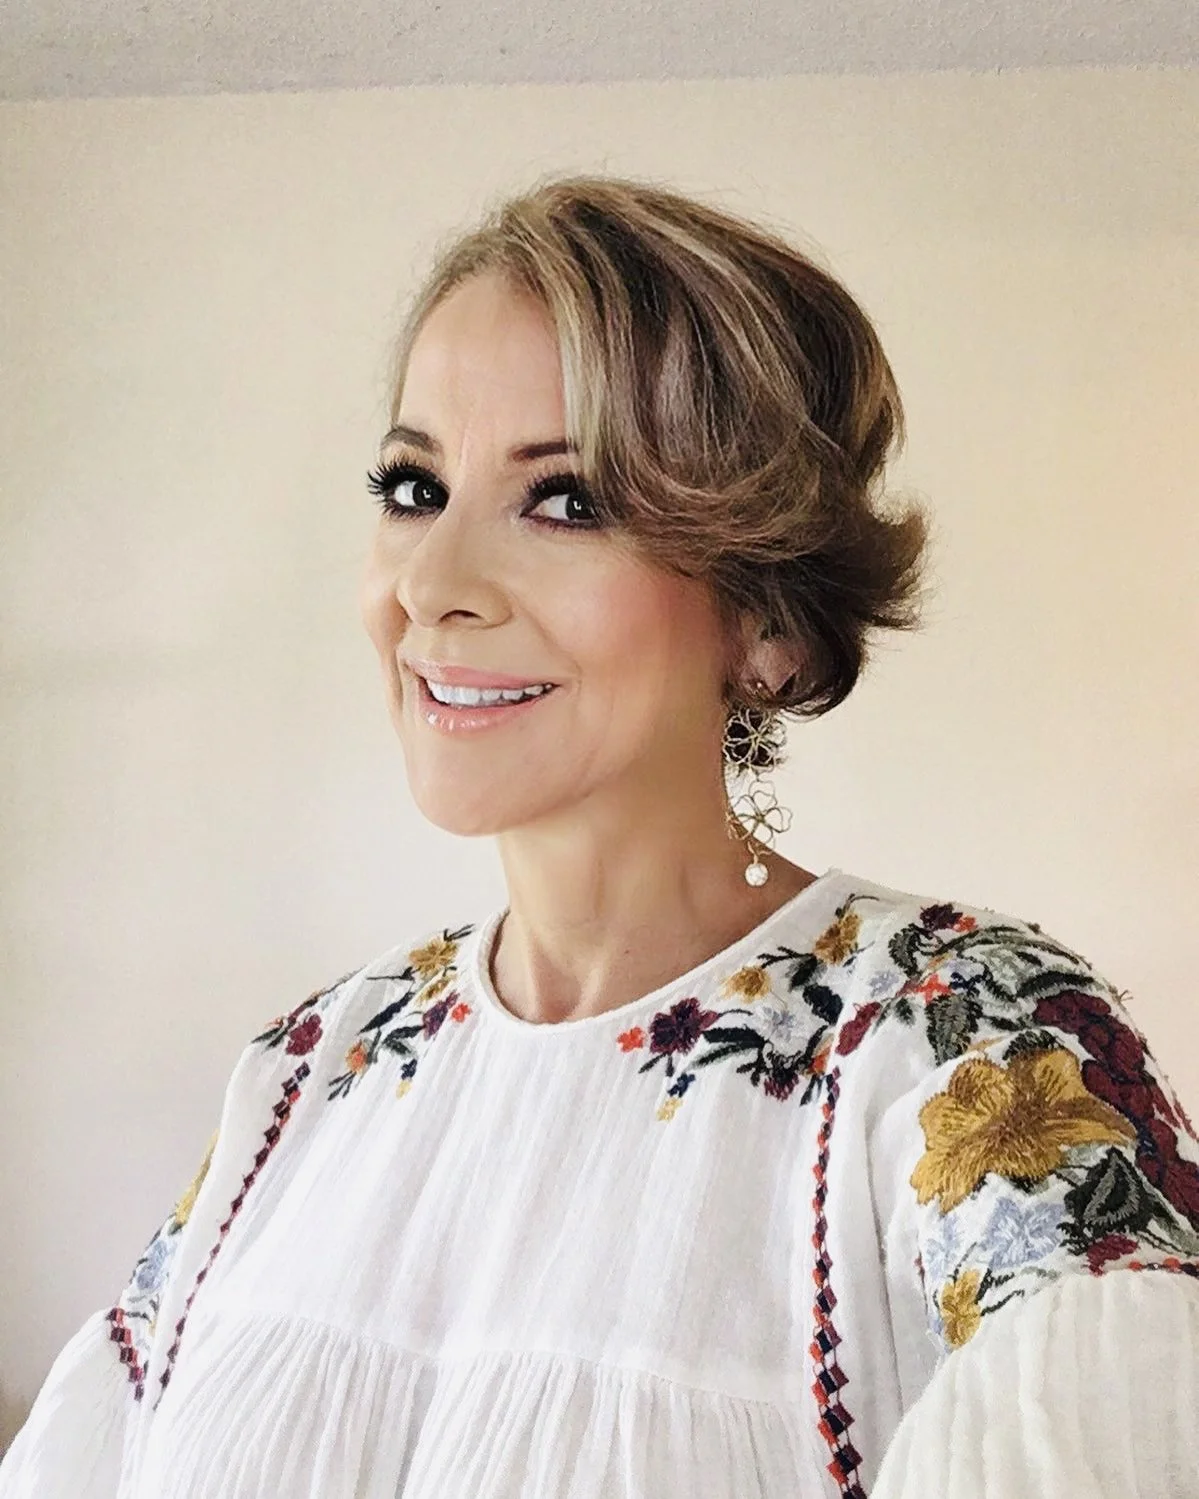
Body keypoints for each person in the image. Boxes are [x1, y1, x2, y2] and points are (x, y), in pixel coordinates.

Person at [3, 173, 1197, 1499]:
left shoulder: (965, 1034)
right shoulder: (310, 1069)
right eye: (414, 485)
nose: (431, 588)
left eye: (567, 501)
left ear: (766, 613)